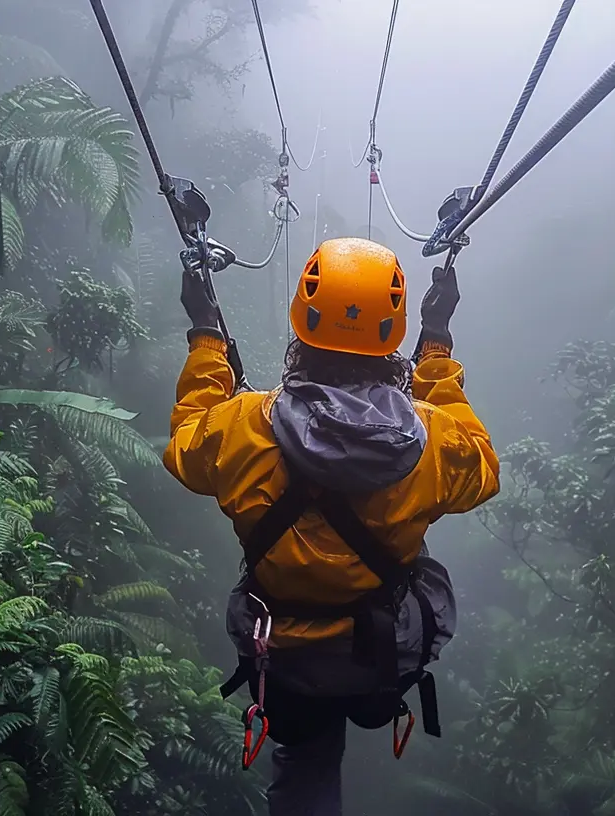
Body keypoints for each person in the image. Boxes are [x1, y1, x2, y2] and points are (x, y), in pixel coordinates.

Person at [163, 237, 500, 816]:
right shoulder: (431, 438)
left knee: (304, 762)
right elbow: (482, 469)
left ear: (303, 328)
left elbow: (186, 442)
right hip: (380, 658)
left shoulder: (243, 426)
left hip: (286, 658)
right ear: (391, 341)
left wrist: (207, 338)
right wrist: (436, 347)